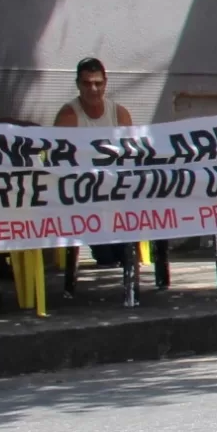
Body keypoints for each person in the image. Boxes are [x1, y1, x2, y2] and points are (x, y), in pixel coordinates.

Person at [57, 57, 136, 274]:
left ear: (105, 83)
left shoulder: (119, 113)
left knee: (127, 253)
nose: (93, 88)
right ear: (78, 85)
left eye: (98, 83)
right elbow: (61, 162)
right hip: (85, 192)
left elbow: (130, 156)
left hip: (117, 190)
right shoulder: (68, 116)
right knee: (108, 259)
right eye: (87, 83)